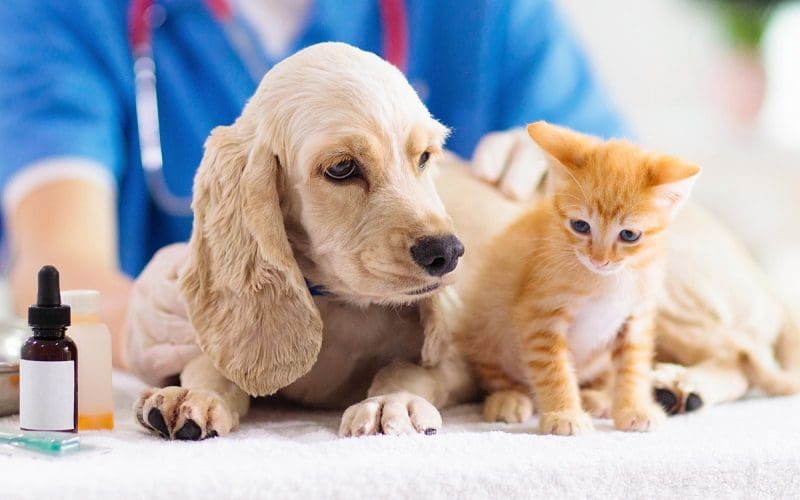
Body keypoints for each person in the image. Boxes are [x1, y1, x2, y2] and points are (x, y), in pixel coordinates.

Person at [0, 0, 627, 367]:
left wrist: (579, 184)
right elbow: (57, 264)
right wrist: (142, 322)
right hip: (219, 379)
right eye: (343, 167)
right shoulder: (65, 14)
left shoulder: (492, 14)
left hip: (430, 373)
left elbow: (644, 197)